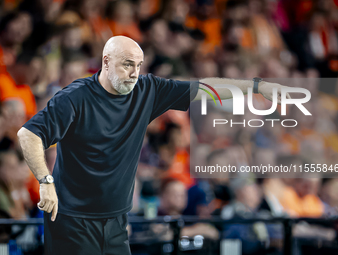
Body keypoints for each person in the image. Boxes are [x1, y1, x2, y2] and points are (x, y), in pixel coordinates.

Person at [17, 35, 288, 255]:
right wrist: (45, 180)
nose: (135, 73)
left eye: (139, 65)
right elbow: (28, 134)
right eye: (127, 65)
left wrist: (254, 86)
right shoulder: (74, 98)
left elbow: (205, 88)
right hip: (72, 221)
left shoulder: (148, 90)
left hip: (116, 222)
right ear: (106, 62)